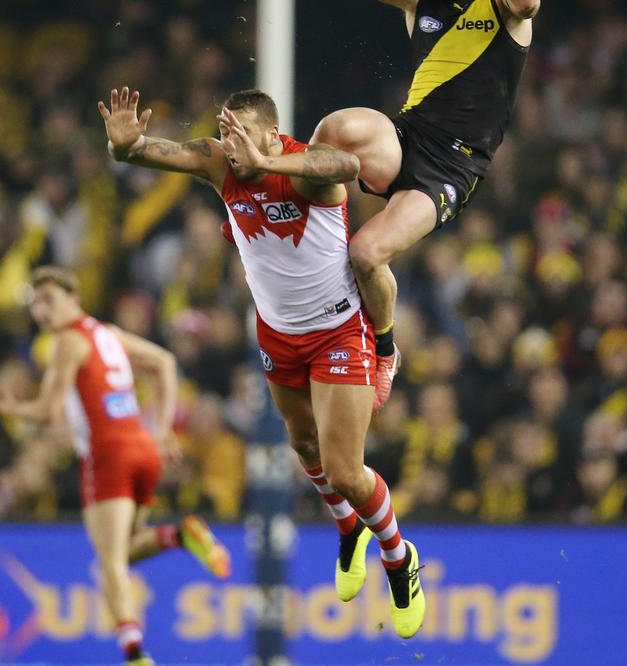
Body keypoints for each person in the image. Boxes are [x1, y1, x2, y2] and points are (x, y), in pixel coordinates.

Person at [98, 85, 426, 638]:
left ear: (273, 135)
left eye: (243, 135)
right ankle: (350, 530)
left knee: (346, 470)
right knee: (302, 446)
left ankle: (398, 559)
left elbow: (346, 163)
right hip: (277, 336)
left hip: (338, 333)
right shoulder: (217, 162)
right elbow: (146, 152)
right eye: (227, 134)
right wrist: (123, 146)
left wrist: (266, 158)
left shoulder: (302, 168)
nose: (232, 147)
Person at [308, 0, 540, 373]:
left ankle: (385, 349)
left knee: (366, 255)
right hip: (406, 137)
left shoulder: (505, 7)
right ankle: (298, 218)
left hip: (453, 165)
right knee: (340, 125)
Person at [0, 266, 231, 666]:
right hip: (142, 447)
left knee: (107, 563)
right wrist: (160, 431)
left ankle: (134, 652)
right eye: (36, 302)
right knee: (123, 552)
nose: (41, 310)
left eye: (49, 299)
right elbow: (163, 361)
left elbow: (48, 410)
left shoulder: (68, 342)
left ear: (74, 300)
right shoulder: (107, 332)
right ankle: (180, 534)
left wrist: (12, 407)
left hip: (107, 454)